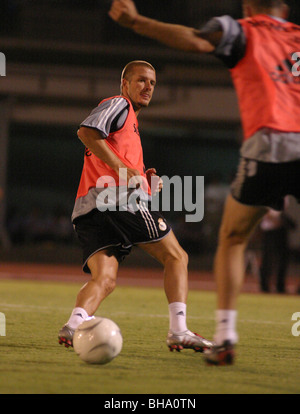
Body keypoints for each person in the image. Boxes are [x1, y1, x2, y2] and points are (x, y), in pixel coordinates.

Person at [109, 0, 300, 365]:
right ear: (286, 7)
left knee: (233, 237)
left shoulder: (244, 30)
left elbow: (196, 40)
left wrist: (136, 22)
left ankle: (226, 337)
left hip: (271, 145)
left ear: (248, 5)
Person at [58, 60, 213, 353]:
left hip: (89, 208)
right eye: (141, 80)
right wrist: (124, 170)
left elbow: (113, 157)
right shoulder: (118, 105)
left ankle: (74, 325)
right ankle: (179, 331)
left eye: (152, 83)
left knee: (105, 278)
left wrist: (143, 177)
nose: (148, 87)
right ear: (124, 84)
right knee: (176, 257)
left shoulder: (129, 125)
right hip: (115, 200)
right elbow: (87, 132)